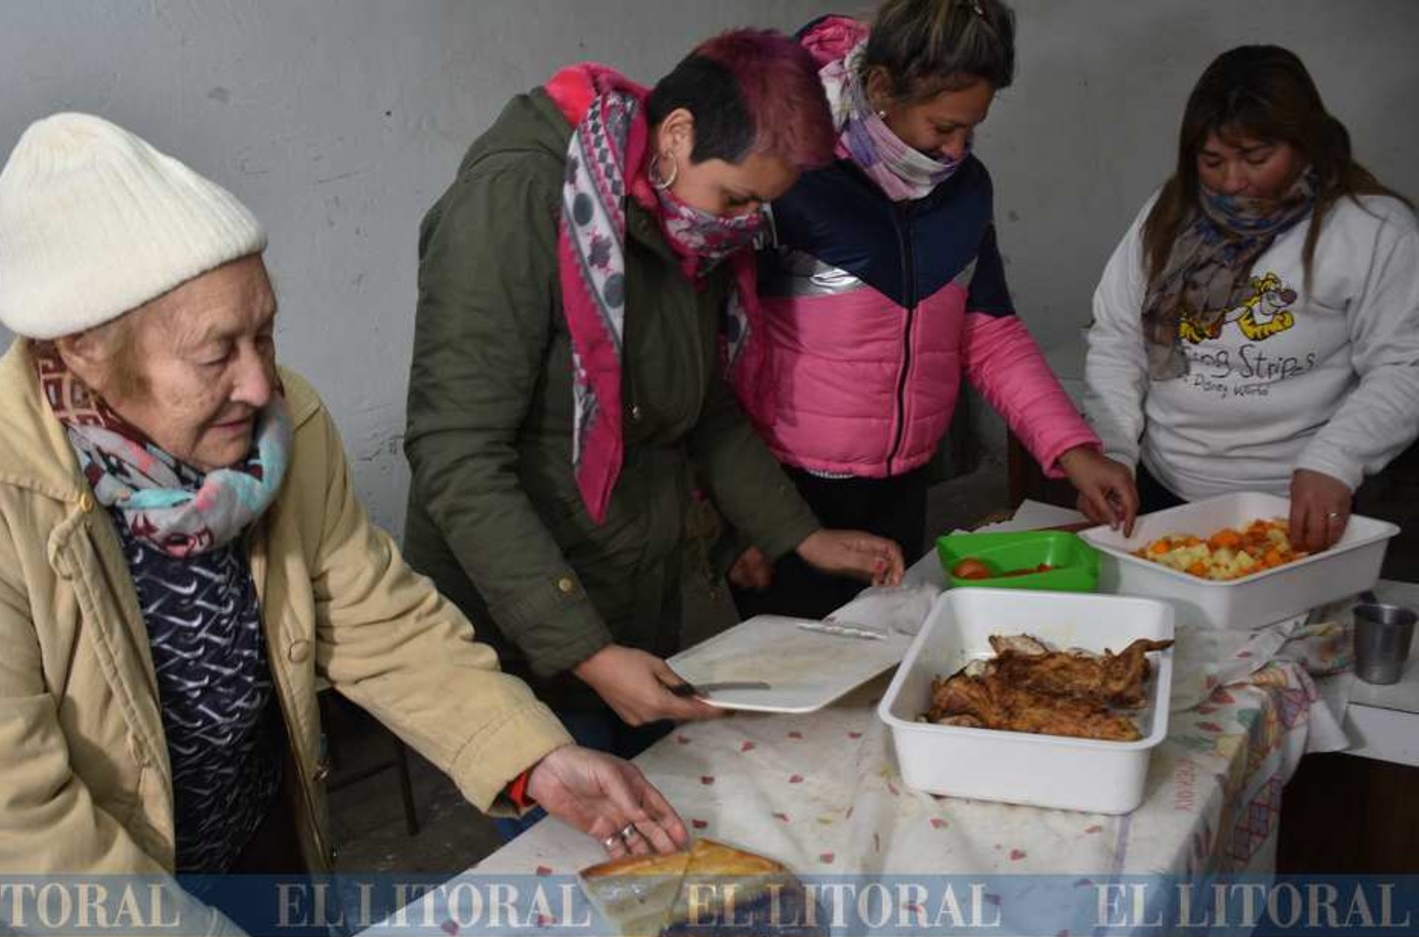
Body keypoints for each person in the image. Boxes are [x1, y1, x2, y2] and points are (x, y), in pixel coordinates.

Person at [0, 113, 689, 937]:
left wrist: (531, 757)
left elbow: (379, 619)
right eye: (218, 353)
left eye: (266, 333)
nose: (260, 385)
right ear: (84, 348)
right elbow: (1, 814)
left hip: (241, 851)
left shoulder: (281, 432)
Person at [403, 28, 903, 770]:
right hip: (521, 609)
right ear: (676, 134)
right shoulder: (517, 202)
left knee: (655, 805)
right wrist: (587, 650)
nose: (737, 226)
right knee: (575, 837)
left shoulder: (667, 214)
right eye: (735, 198)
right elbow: (457, 455)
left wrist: (798, 535)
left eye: (756, 209)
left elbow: (701, 405)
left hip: (624, 583)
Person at [721, 0, 1136, 621]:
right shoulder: (792, 178)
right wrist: (735, 516)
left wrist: (1073, 451)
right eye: (943, 128)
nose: (955, 149)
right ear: (882, 87)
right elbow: (718, 347)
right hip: (788, 491)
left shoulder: (965, 191)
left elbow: (990, 333)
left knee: (887, 658)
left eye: (973, 128)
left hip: (904, 483)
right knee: (799, 676)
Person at [1082, 45, 1419, 552]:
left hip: (1300, 504)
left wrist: (1337, 460)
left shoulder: (1371, 229)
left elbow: (1404, 363)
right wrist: (1112, 450)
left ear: (1305, 144)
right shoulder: (1170, 214)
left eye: (1257, 158)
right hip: (1161, 491)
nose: (1233, 182)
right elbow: (1117, 339)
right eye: (1212, 161)